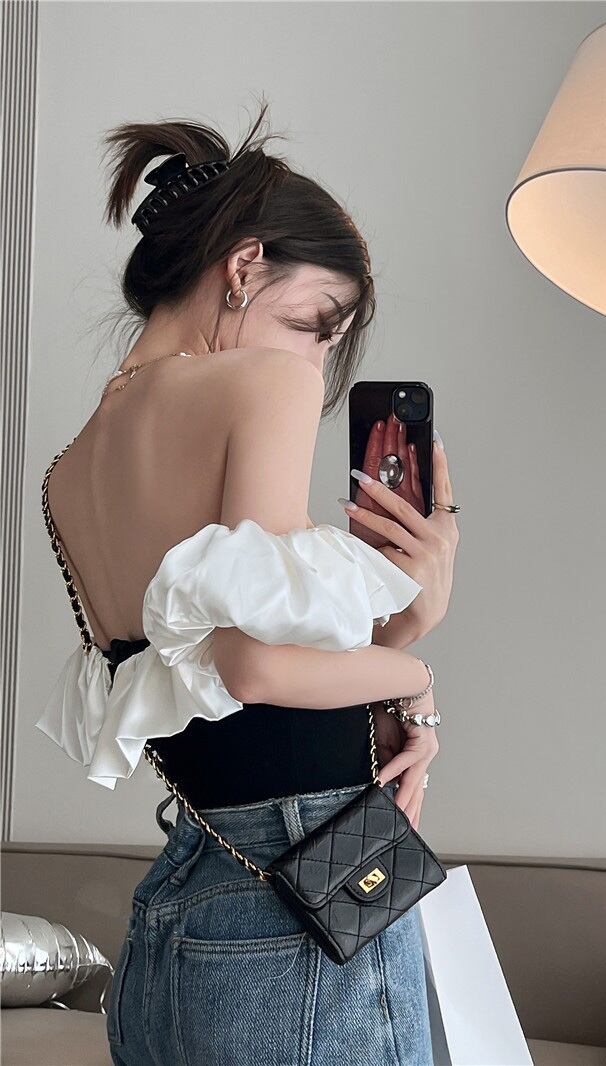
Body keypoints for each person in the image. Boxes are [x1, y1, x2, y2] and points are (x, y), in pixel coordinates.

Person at [36, 102, 460, 1066]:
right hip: (300, 913)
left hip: (182, 909)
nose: (313, 360)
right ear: (243, 266)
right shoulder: (263, 385)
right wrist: (418, 680)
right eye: (314, 324)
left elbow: (223, 694)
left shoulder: (69, 472)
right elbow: (255, 668)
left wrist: (404, 626)